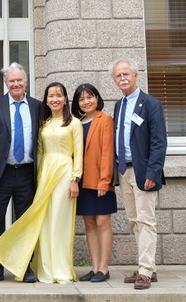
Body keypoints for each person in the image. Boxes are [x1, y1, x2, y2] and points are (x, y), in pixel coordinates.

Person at [0, 82, 83, 284]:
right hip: (39, 175)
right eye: (51, 96)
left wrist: (75, 179)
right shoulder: (44, 123)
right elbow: (39, 151)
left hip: (61, 174)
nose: (55, 99)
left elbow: (79, 154)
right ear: (46, 100)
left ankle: (51, 267)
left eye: (59, 95)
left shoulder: (73, 123)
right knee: (39, 221)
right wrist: (38, 179)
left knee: (56, 220)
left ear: (65, 98)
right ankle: (0, 263)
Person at [0, 62, 40, 284]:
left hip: (27, 173)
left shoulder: (37, 106)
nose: (16, 84)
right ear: (6, 83)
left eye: (19, 80)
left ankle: (24, 265)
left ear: (26, 81)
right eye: (11, 80)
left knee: (25, 222)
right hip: (0, 173)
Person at [110, 58, 166, 290]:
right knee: (134, 221)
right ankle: (148, 267)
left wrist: (153, 172)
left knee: (146, 221)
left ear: (135, 75)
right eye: (118, 76)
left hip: (143, 172)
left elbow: (159, 142)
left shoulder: (151, 103)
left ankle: (145, 271)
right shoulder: (119, 105)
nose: (122, 78)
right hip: (124, 171)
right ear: (114, 80)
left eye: (126, 74)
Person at [71, 83, 116, 283]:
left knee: (102, 223)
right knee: (89, 224)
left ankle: (104, 269)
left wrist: (104, 182)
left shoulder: (105, 120)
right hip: (83, 182)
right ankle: (95, 267)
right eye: (81, 99)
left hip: (100, 182)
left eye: (89, 97)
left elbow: (107, 152)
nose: (86, 102)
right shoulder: (77, 123)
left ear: (97, 98)